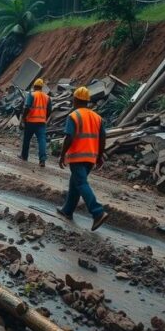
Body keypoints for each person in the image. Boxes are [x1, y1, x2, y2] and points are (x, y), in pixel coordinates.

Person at [56, 86, 109, 231]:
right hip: (91, 157)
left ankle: (97, 212)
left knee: (81, 183)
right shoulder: (97, 117)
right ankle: (67, 210)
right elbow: (103, 138)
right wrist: (99, 155)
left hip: (78, 156)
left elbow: (69, 137)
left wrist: (62, 155)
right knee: (76, 183)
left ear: (75, 100)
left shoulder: (73, 116)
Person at [20, 78, 52, 167]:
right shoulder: (47, 97)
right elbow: (49, 110)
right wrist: (45, 118)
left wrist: (23, 118)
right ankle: (42, 160)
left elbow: (27, 107)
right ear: (42, 87)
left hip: (30, 121)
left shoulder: (32, 95)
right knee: (42, 140)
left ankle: (24, 156)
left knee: (27, 139)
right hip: (41, 122)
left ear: (34, 86)